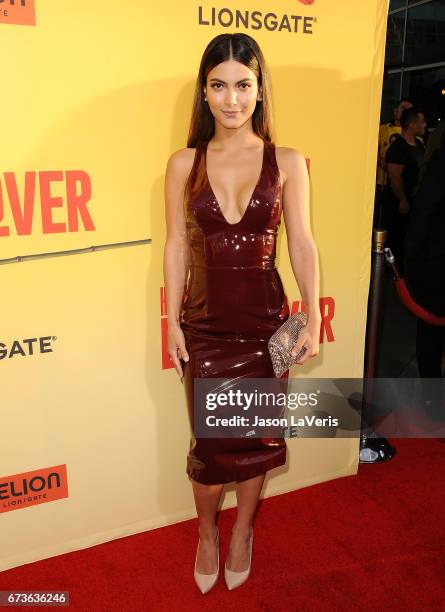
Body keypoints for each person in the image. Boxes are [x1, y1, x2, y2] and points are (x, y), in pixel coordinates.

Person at [163, 33, 321, 593]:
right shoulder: (184, 163)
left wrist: (313, 317)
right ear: (204, 93)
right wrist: (171, 325)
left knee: (256, 444)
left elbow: (301, 242)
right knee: (209, 450)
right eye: (219, 86)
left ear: (259, 89)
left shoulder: (288, 161)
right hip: (204, 327)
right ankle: (207, 533)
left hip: (266, 328)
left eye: (244, 85)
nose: (232, 100)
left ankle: (243, 533)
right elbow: (176, 246)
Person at [405, 120, 445, 379]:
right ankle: (431, 398)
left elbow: (422, 211)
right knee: (432, 329)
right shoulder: (442, 161)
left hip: (435, 260)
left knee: (431, 331)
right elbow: (423, 212)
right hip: (438, 263)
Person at [382, 106, 426, 269]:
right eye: (421, 122)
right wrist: (402, 200)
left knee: (407, 237)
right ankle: (391, 270)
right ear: (412, 124)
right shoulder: (398, 147)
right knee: (394, 237)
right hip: (397, 201)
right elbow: (394, 176)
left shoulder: (420, 146)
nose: (424, 125)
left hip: (413, 200)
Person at [373, 99, 413, 229]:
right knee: (378, 218)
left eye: (409, 110)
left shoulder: (412, 135)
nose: (405, 112)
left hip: (402, 186)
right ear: (395, 111)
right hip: (381, 182)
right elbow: (373, 150)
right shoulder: (383, 129)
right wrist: (380, 161)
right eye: (403, 108)